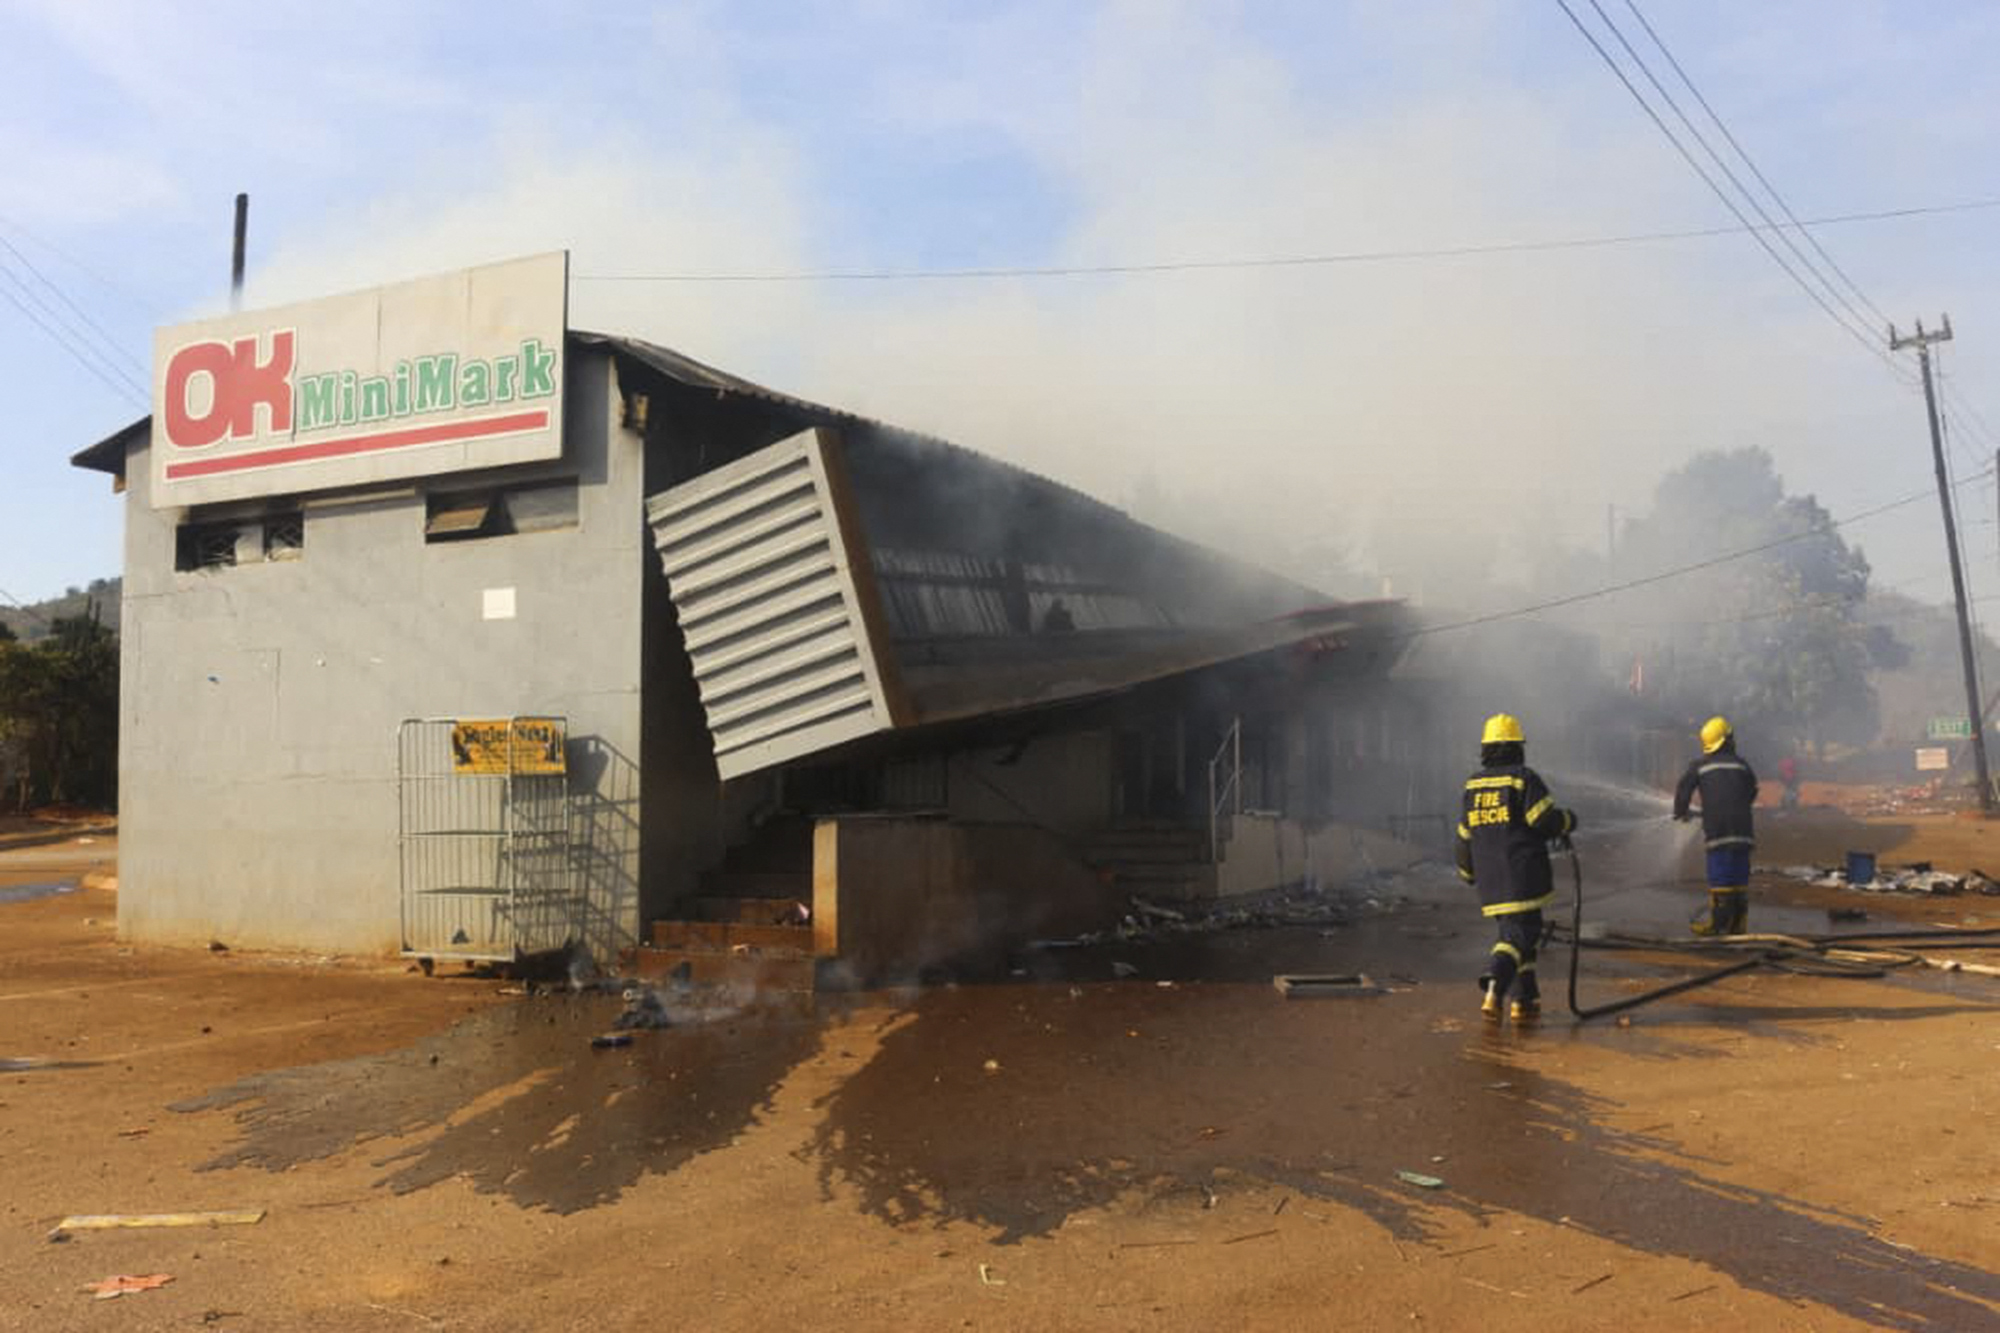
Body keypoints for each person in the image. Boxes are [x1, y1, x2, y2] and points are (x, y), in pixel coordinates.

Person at [1455, 713, 1579, 1023]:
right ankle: (1495, 982)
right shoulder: (1523, 779)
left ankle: (1524, 1000)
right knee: (1520, 935)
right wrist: (1568, 820)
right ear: (1516, 747)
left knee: (1520, 937)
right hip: (1522, 876)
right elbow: (1543, 820)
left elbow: (1464, 836)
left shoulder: (1473, 785)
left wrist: (1468, 872)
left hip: (1491, 882)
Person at [1674, 715, 1759, 935]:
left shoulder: (1700, 766)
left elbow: (1683, 789)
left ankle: (1718, 926)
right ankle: (1739, 925)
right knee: (1739, 879)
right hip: (1743, 832)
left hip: (1719, 832)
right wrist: (1738, 805)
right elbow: (1752, 790)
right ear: (1727, 740)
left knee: (1721, 879)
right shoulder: (1742, 764)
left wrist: (1680, 812)